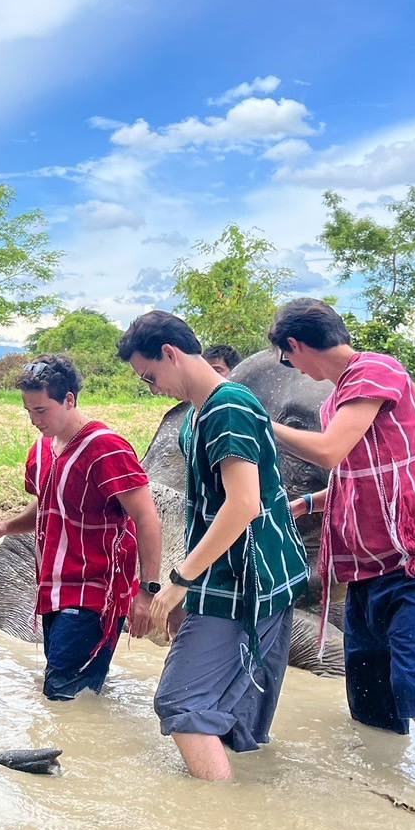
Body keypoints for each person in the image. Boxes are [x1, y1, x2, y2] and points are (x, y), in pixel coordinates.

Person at [266, 298, 415, 794]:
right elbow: (356, 473)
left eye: (286, 357)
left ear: (295, 346)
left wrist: (254, 420)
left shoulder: (375, 371)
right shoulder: (334, 399)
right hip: (366, 569)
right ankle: (385, 792)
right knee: (370, 693)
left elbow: (330, 450)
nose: (290, 366)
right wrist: (306, 505)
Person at [117, 311, 308, 781]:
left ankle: (215, 823)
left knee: (180, 702)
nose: (152, 387)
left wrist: (179, 584)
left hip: (246, 584)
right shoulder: (200, 414)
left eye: (150, 376)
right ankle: (239, 827)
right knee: (235, 719)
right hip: (234, 579)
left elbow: (242, 505)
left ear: (170, 353)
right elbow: (210, 510)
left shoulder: (228, 408)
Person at [0, 355, 164, 701]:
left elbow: (147, 517)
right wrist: (5, 526)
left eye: (42, 411)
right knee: (79, 697)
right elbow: (50, 505)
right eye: (29, 411)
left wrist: (147, 592)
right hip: (54, 592)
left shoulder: (107, 449)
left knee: (61, 697)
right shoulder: (42, 449)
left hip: (95, 596)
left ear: (69, 400)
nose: (34, 421)